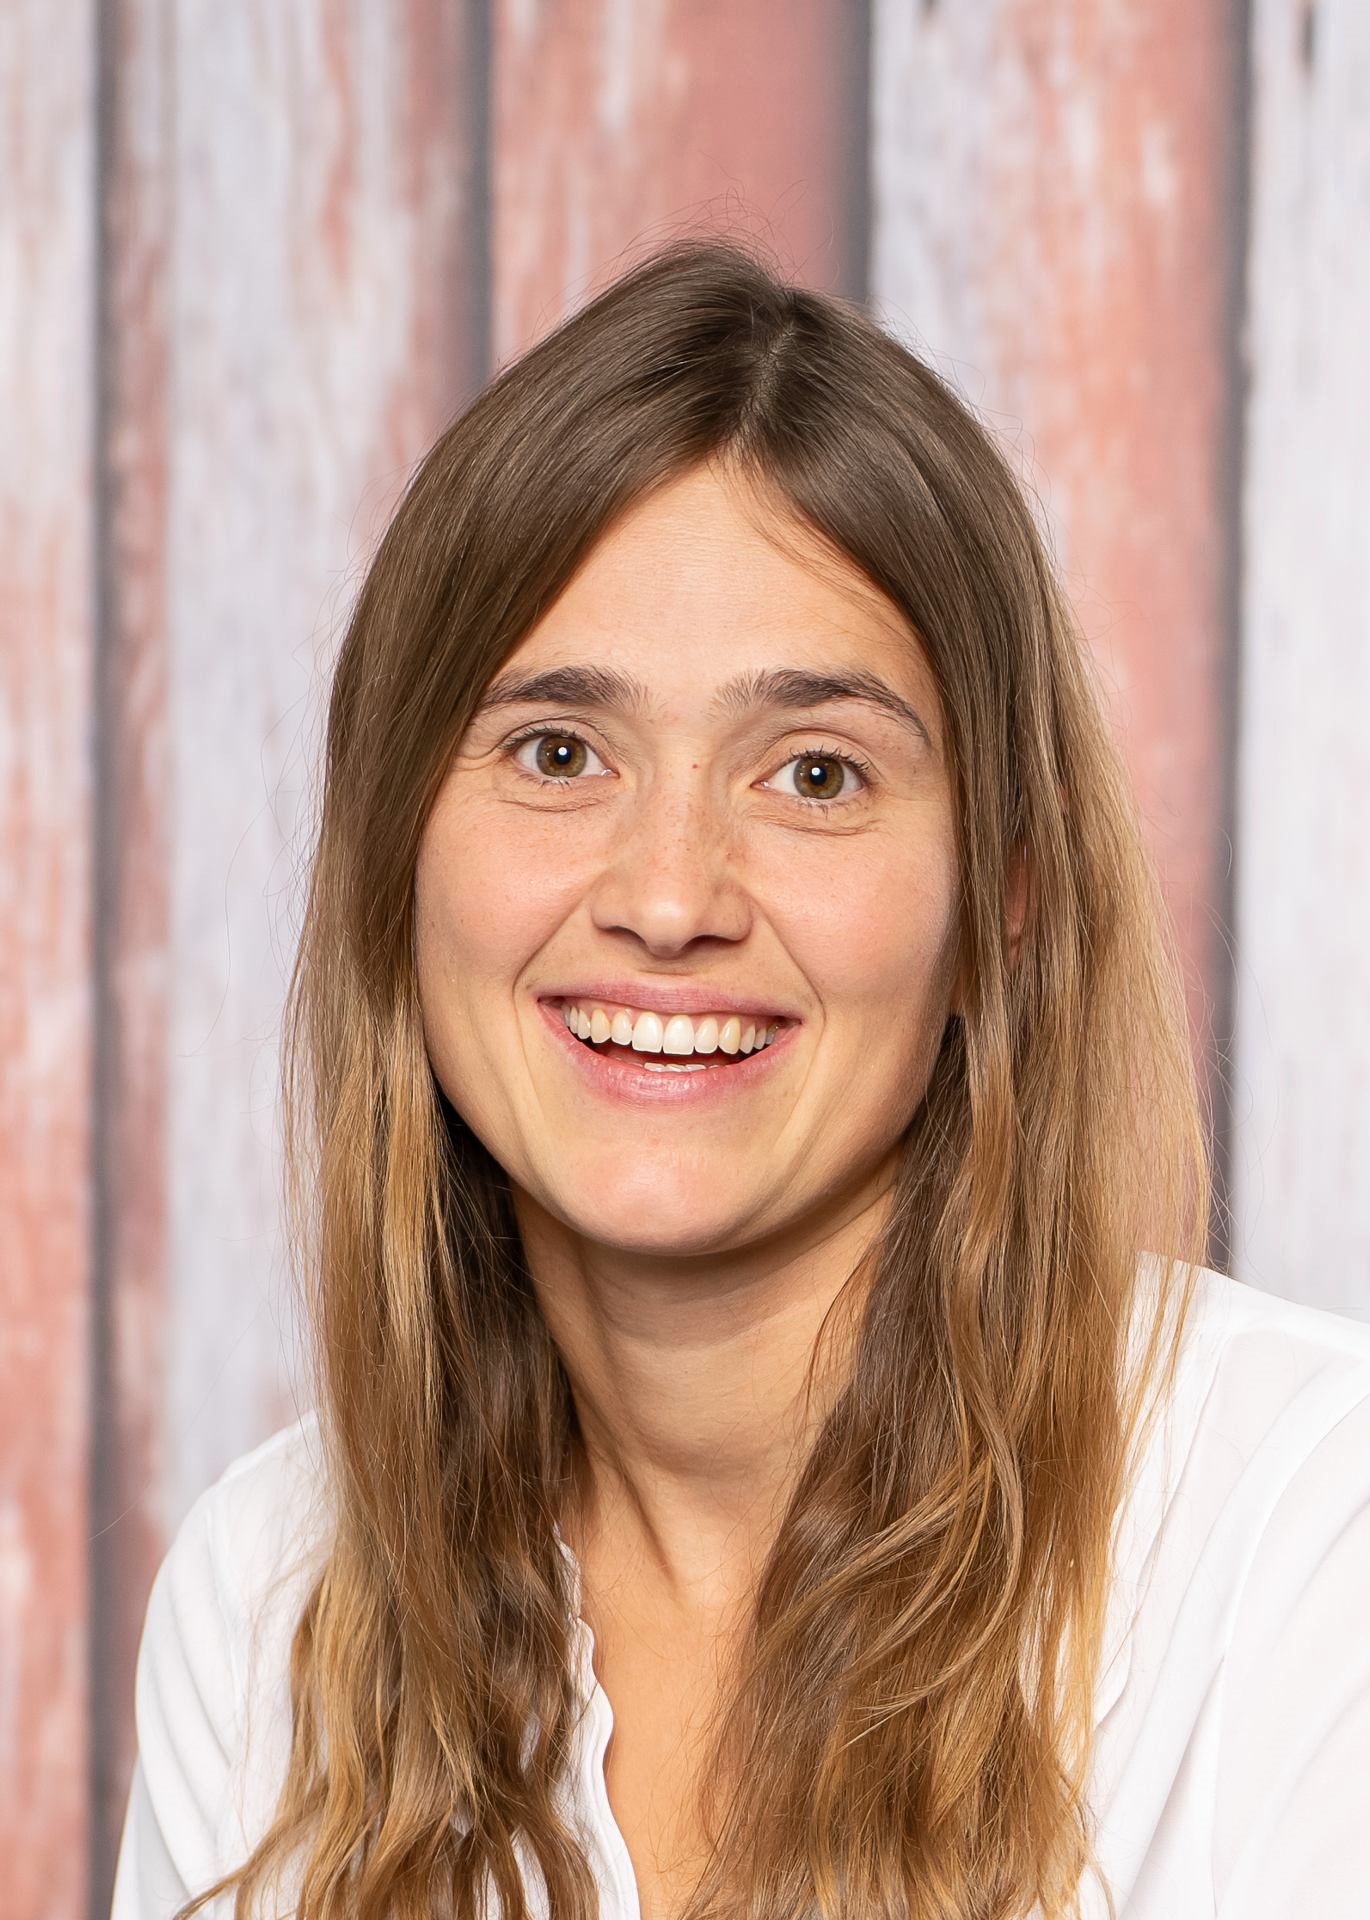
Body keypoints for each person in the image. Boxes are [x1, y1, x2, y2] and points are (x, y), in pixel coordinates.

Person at [110, 238, 1370, 1920]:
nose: (668, 897)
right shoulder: (267, 1599)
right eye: (559, 751)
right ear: (393, 853)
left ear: (1004, 899)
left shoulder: (1308, 1540)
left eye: (814, 774)